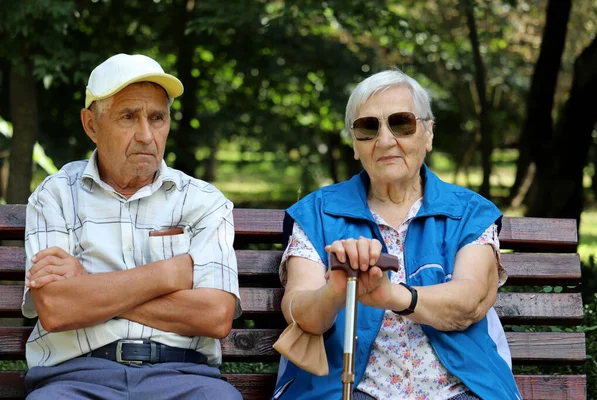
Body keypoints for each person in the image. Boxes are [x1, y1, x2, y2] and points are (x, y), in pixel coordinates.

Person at [272, 69, 521, 400]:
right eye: (368, 127)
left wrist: (391, 296)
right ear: (355, 145)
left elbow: (470, 301)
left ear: (428, 133)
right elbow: (298, 312)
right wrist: (334, 289)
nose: (385, 140)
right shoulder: (316, 214)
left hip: (459, 389)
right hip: (349, 389)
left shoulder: (469, 213)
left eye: (401, 123)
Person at [21, 53, 243, 400]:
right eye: (128, 117)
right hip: (75, 378)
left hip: (183, 376)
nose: (145, 135)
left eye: (157, 118)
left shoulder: (202, 202)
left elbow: (215, 316)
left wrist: (87, 286)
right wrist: (167, 275)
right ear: (91, 124)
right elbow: (56, 309)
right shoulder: (56, 195)